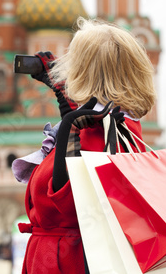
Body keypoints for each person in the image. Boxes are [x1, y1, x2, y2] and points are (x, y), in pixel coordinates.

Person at [14, 17, 156, 274]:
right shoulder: (118, 124)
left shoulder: (93, 129)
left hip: (67, 261)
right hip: (71, 254)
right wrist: (61, 95)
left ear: (86, 71)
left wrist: (69, 124)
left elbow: (66, 204)